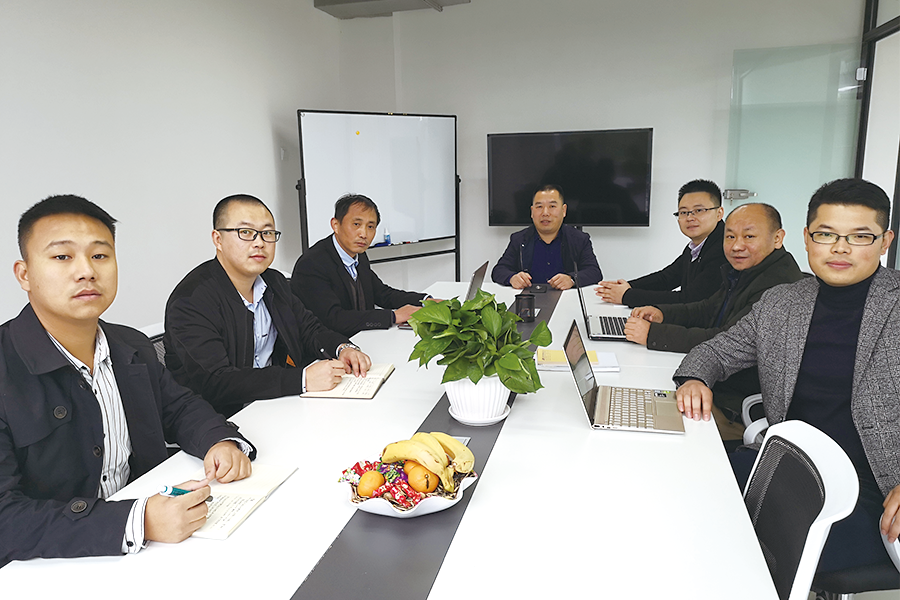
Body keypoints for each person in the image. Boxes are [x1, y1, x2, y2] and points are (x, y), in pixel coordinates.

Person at [0, 195, 255, 566]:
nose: (86, 271)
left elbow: (179, 407)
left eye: (100, 255)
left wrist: (219, 440)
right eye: (62, 256)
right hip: (51, 565)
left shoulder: (130, 345)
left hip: (149, 553)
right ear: (24, 274)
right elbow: (6, 518)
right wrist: (136, 522)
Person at [674, 178, 899, 574]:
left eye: (860, 236)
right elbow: (715, 351)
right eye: (826, 234)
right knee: (677, 491)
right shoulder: (783, 302)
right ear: (807, 239)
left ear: (884, 242)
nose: (840, 248)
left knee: (727, 554)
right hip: (785, 468)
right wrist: (695, 378)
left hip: (873, 495)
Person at [165, 194, 372, 418]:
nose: (259, 242)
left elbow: (310, 329)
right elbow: (216, 381)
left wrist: (343, 348)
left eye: (267, 233)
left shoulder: (275, 282)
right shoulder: (190, 300)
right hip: (218, 421)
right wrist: (302, 379)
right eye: (245, 232)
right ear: (218, 239)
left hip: (274, 405)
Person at [625, 203, 804, 434]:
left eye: (749, 236)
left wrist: (654, 334)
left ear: (778, 238)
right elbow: (708, 309)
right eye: (730, 236)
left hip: (735, 404)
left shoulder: (778, 288)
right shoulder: (746, 270)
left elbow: (726, 340)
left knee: (646, 420)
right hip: (714, 382)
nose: (737, 246)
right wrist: (663, 313)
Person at [291, 194, 431, 337]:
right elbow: (333, 319)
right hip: (330, 345)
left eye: (370, 226)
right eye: (356, 224)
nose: (364, 234)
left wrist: (425, 301)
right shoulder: (311, 264)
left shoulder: (358, 254)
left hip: (363, 337)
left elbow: (382, 293)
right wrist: (393, 317)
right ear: (335, 225)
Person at [595, 179, 727, 306]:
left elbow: (690, 299)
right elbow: (666, 278)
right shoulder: (697, 246)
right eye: (683, 212)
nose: (690, 218)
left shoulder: (724, 249)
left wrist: (627, 295)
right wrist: (627, 287)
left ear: (719, 213)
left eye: (699, 210)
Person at [491, 184, 603, 290]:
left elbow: (594, 272)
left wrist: (572, 279)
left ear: (564, 210)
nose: (545, 213)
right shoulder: (519, 239)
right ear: (532, 212)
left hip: (566, 299)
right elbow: (499, 270)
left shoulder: (579, 239)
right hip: (529, 299)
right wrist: (512, 278)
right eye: (539, 207)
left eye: (552, 206)